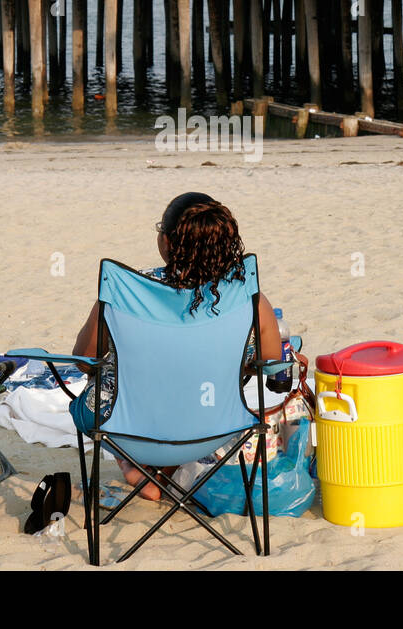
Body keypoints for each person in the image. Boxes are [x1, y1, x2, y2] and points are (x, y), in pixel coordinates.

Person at [71, 193, 284, 499]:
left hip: (127, 431)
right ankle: (163, 471)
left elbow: (83, 360)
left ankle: (139, 469)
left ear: (168, 242)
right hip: (212, 428)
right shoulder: (250, 300)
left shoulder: (126, 292)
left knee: (104, 397)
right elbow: (272, 361)